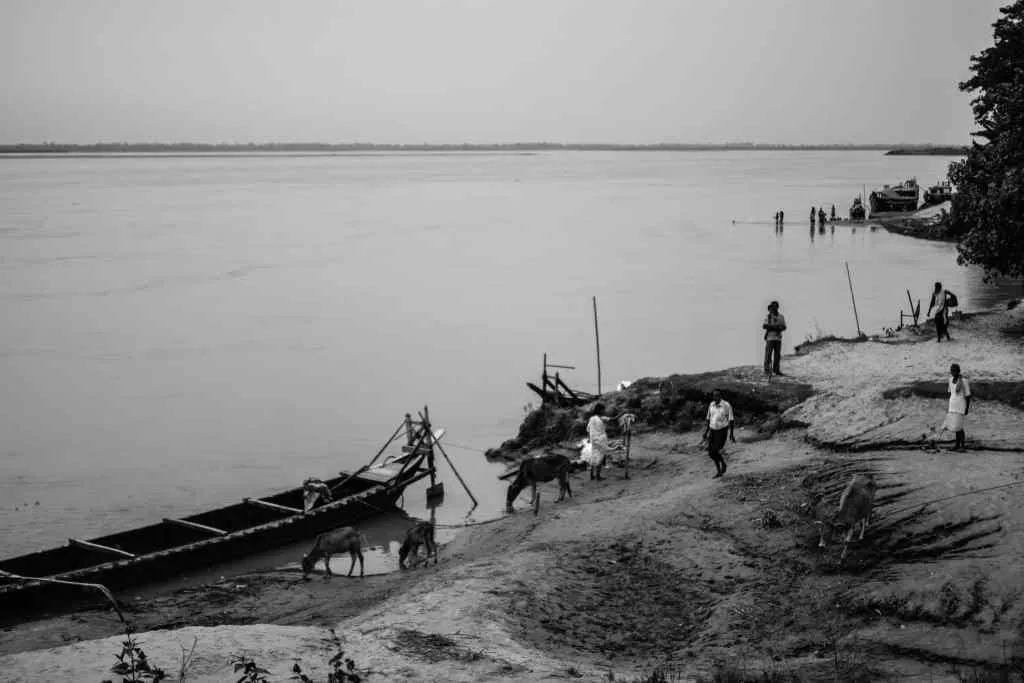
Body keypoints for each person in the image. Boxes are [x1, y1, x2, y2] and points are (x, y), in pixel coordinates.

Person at [702, 390, 735, 478]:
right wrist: (706, 432)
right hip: (712, 431)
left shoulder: (726, 405)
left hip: (722, 431)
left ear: (720, 396)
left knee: (714, 450)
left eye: (717, 395)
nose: (715, 397)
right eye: (714, 396)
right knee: (710, 452)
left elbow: (731, 420)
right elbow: (709, 419)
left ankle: (723, 465)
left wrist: (731, 434)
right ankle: (719, 470)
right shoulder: (711, 405)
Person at [940, 363, 971, 450]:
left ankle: (962, 446)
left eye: (954, 370)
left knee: (960, 426)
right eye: (951, 370)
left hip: (960, 405)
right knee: (955, 426)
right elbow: (951, 393)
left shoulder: (964, 381)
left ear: (958, 371)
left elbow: (968, 396)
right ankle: (957, 445)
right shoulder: (950, 380)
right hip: (952, 405)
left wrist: (967, 408)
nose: (952, 372)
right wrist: (948, 406)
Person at [587, 403, 610, 480]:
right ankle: (598, 476)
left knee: (594, 457)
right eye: (603, 409)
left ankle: (592, 475)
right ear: (600, 410)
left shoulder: (594, 418)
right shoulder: (596, 419)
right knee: (599, 457)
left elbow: (588, 429)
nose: (604, 411)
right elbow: (591, 429)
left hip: (594, 440)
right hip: (599, 440)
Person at [762, 301, 787, 376]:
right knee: (768, 355)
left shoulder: (781, 316)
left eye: (775, 306)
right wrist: (774, 327)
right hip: (770, 338)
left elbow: (784, 326)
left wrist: (779, 328)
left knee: (777, 355)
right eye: (773, 307)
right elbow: (764, 326)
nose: (774, 308)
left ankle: (776, 370)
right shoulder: (768, 316)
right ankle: (767, 370)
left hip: (778, 338)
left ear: (777, 307)